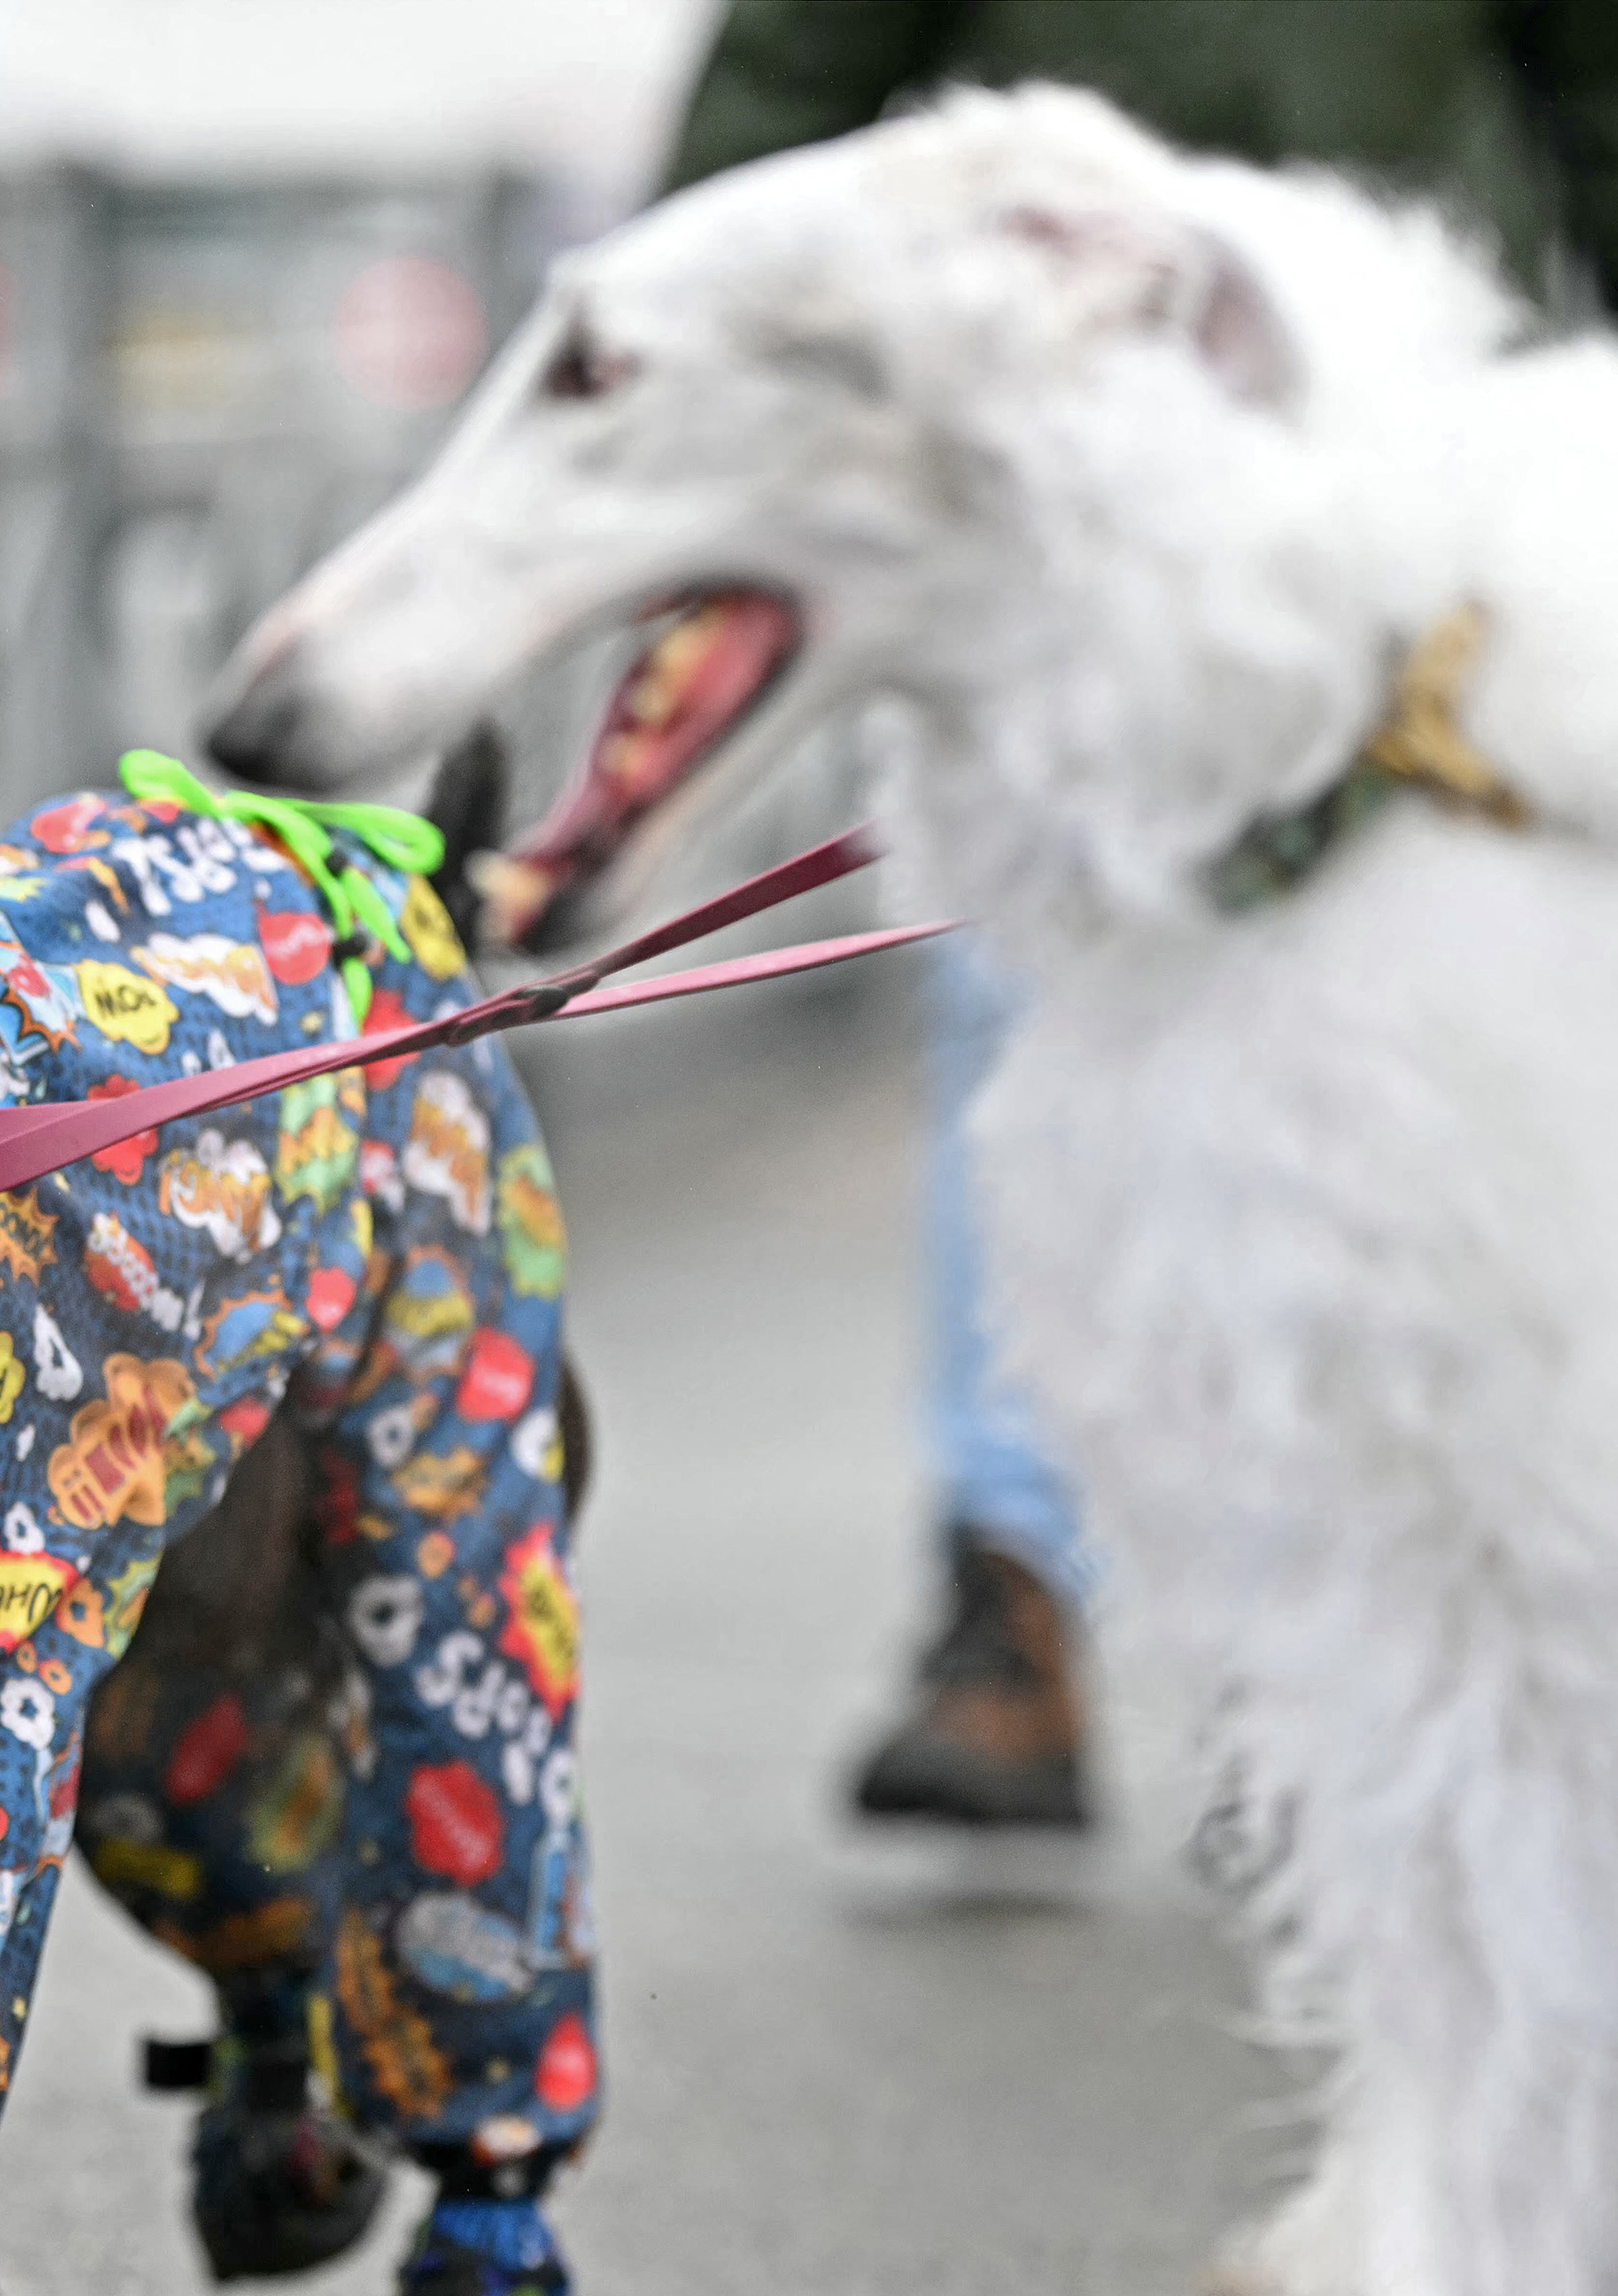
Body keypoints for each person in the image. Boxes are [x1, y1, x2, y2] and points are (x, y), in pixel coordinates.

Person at [663, 0, 1618, 1833]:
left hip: (1414, 452)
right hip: (1053, 463)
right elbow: (790, 70)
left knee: (1449, 1043)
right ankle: (1019, 1584)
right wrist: (683, 397)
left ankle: (1434, 1593)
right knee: (1032, 1005)